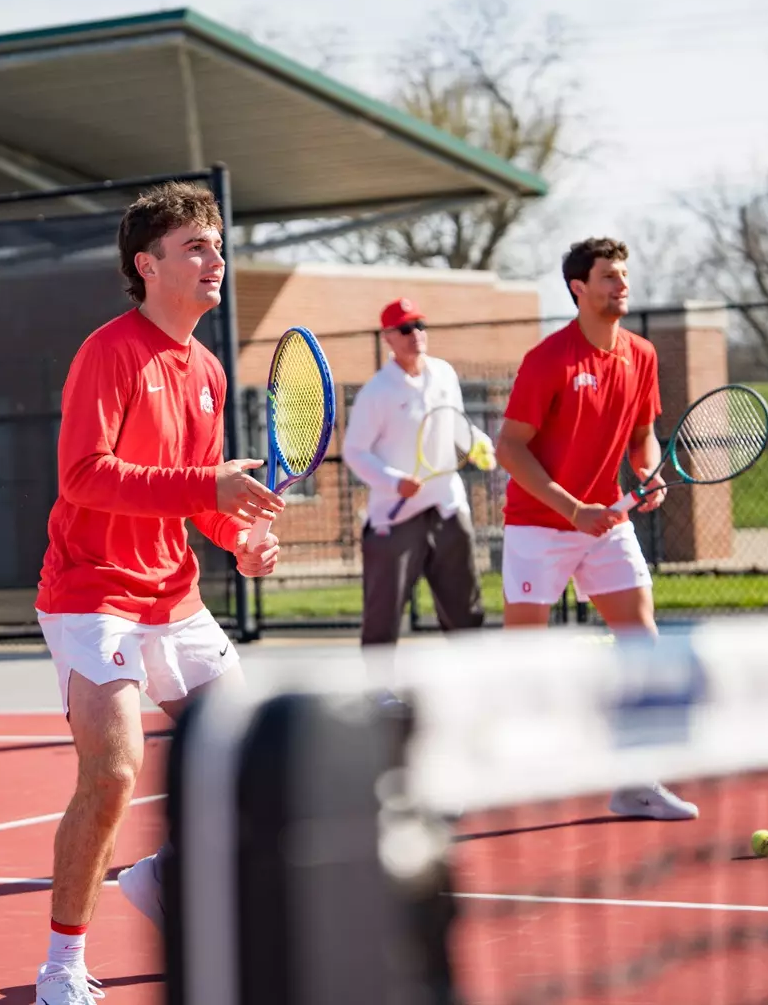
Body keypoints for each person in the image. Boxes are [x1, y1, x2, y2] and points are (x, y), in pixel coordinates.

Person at [31, 182, 286, 1003]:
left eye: (217, 245)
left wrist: (241, 539)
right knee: (112, 772)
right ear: (147, 266)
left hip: (174, 600)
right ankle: (61, 971)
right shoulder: (109, 352)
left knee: (260, 763)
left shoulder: (207, 368)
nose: (216, 260)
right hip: (91, 593)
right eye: (196, 248)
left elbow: (197, 502)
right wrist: (208, 488)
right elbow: (85, 476)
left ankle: (161, 880)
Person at [493, 236, 698, 822]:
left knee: (642, 640)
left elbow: (641, 435)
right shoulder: (548, 360)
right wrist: (571, 508)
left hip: (607, 521)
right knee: (523, 653)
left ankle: (636, 779)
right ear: (579, 289)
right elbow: (510, 448)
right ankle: (501, 765)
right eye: (609, 276)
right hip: (538, 522)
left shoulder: (642, 355)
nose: (621, 284)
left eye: (624, 274)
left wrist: (644, 470)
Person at [343, 299, 495, 647]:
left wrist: (478, 444)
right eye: (406, 329)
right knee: (383, 616)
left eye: (421, 326)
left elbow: (457, 425)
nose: (417, 335)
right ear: (388, 338)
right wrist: (395, 482)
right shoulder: (376, 392)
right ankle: (380, 695)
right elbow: (355, 451)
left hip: (448, 506)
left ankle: (470, 688)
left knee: (466, 611)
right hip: (394, 518)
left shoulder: (444, 373)